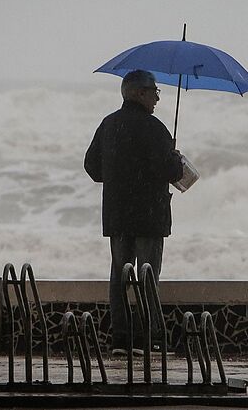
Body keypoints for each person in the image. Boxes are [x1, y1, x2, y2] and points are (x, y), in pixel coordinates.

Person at [84, 69, 183, 355]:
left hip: (117, 216)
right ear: (140, 93)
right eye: (154, 92)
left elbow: (92, 167)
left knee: (119, 277)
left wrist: (118, 176)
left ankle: (120, 340)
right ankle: (148, 340)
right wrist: (174, 157)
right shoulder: (154, 128)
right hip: (149, 216)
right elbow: (171, 170)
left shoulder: (108, 124)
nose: (157, 99)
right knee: (148, 276)